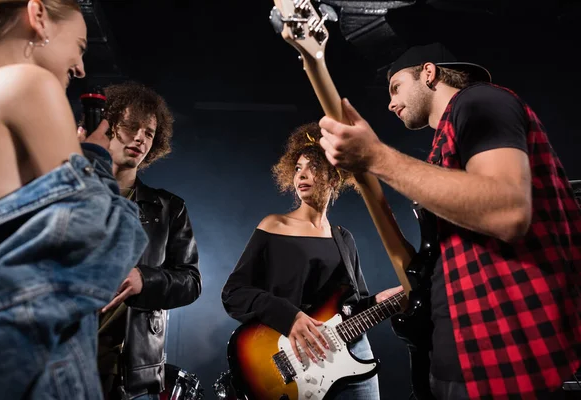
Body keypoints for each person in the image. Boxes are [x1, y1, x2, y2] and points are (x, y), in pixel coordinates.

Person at [318, 42, 581, 399]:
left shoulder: (481, 101)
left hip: (502, 352)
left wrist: (377, 158)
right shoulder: (444, 142)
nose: (391, 103)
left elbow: (507, 212)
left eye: (396, 87)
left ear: (429, 72)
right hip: (462, 343)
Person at [0, 1, 148, 399]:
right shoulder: (28, 83)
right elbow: (102, 244)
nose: (80, 67)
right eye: (80, 45)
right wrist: (93, 160)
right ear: (37, 16)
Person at [221, 122, 402, 400]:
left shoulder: (344, 238)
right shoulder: (274, 226)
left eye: (313, 167)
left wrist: (382, 301)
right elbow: (234, 293)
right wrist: (289, 316)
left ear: (333, 178)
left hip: (352, 353)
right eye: (297, 168)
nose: (302, 175)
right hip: (297, 359)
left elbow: (353, 306)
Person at [88, 82, 202, 400]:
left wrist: (145, 280)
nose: (140, 137)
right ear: (106, 126)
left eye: (149, 132)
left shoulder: (169, 208)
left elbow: (191, 282)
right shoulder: (70, 194)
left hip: (134, 376)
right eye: (130, 126)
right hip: (63, 361)